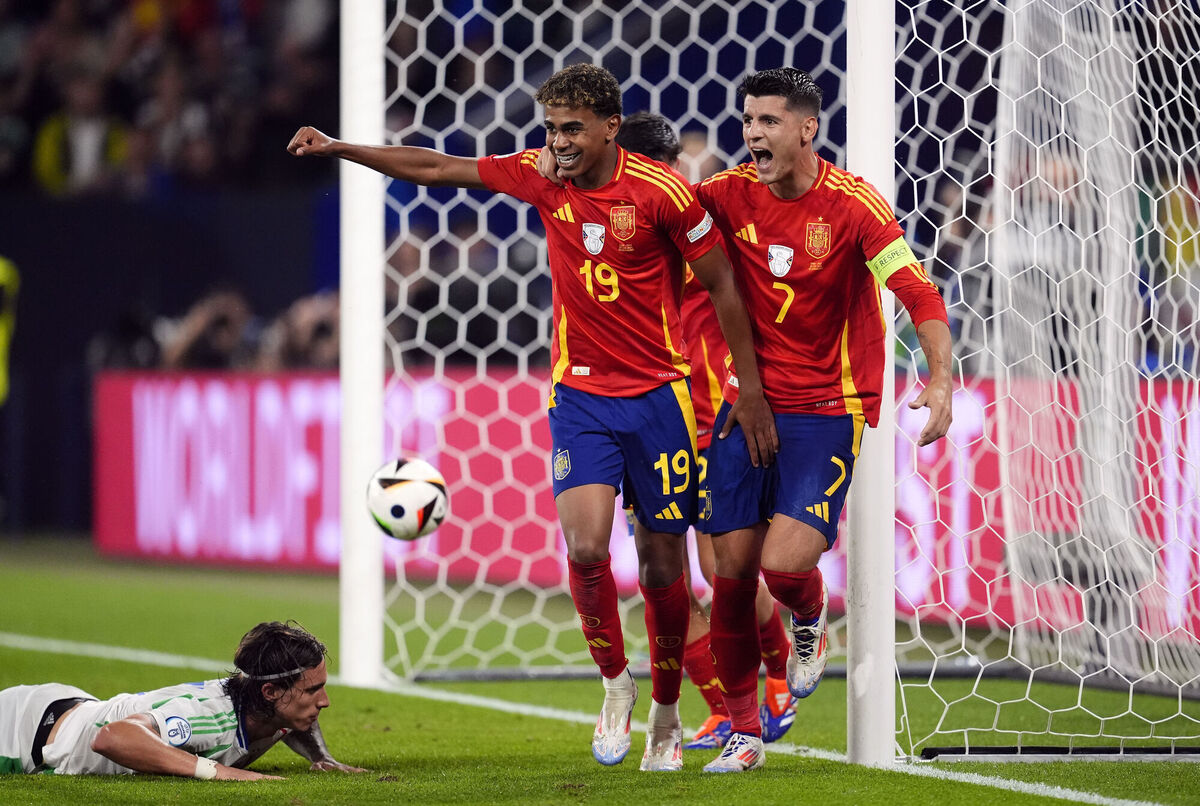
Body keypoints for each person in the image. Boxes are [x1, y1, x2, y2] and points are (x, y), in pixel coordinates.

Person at [287, 63, 777, 772]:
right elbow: (434, 167)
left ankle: (668, 714)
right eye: (551, 128)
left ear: (611, 127)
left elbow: (723, 284)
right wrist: (339, 146)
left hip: (660, 399)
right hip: (580, 395)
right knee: (584, 549)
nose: (559, 142)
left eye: (572, 128)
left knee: (664, 568)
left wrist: (751, 388)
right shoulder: (541, 175)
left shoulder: (662, 193)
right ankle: (616, 686)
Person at [692, 68, 953, 772]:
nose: (753, 134)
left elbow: (918, 293)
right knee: (728, 572)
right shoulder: (723, 194)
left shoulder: (855, 207)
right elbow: (661, 222)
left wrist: (939, 377)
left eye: (769, 122)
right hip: (748, 403)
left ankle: (809, 618)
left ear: (807, 128)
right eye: (748, 120)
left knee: (783, 564)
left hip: (827, 408)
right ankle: (744, 733)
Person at [607, 112, 797, 751]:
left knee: (722, 572)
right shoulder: (607, 238)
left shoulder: (700, 224)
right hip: (653, 412)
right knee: (664, 579)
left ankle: (776, 681)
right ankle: (723, 708)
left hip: (712, 412)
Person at [0, 621, 365, 778]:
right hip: (23, 732)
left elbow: (292, 719)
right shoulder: (210, 718)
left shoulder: (267, 706)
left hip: (69, 708)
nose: (325, 702)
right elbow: (111, 737)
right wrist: (219, 771)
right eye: (313, 690)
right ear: (271, 692)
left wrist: (321, 757)